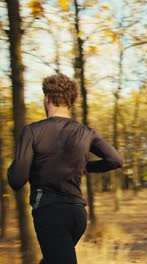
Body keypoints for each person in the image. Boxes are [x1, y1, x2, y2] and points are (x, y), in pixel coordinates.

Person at [8, 73, 124, 264]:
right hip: (78, 214)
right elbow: (116, 160)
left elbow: (17, 179)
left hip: (50, 213)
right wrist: (87, 167)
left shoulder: (32, 131)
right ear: (70, 102)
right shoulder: (86, 132)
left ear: (47, 99)